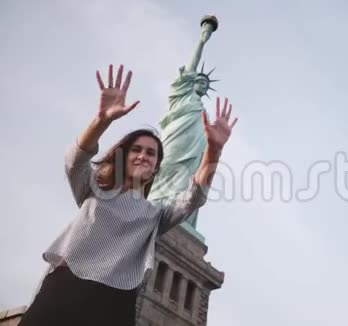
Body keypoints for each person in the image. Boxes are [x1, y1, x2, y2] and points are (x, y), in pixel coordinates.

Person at [18, 64, 238, 326]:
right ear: (124, 155)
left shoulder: (155, 216)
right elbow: (75, 160)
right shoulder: (93, 189)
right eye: (137, 149)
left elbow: (193, 197)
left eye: (151, 153)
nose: (143, 155)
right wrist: (102, 120)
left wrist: (213, 152)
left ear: (157, 167)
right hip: (67, 286)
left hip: (115, 301)